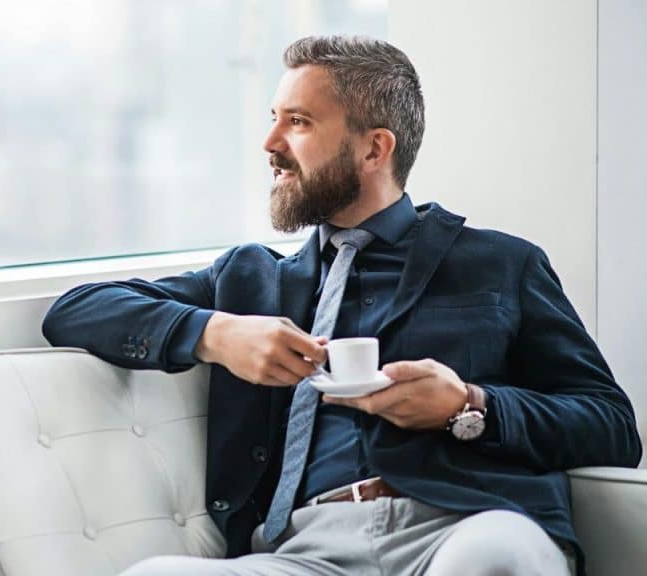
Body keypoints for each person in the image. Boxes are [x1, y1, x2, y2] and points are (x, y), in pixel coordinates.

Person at [41, 35, 641, 576]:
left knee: (490, 561)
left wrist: (468, 406)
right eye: (274, 119)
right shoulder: (250, 281)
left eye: (298, 123)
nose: (271, 145)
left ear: (374, 149)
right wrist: (217, 335)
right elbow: (75, 310)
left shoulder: (503, 264)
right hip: (305, 552)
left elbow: (612, 429)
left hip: (467, 525)